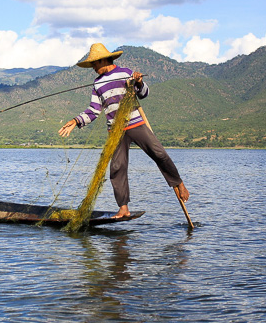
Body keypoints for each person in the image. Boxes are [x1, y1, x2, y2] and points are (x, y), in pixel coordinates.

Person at [58, 43, 189, 218]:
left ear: (104, 60)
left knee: (159, 154)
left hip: (135, 123)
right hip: (115, 131)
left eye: (95, 64)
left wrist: (139, 82)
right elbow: (94, 111)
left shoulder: (125, 73)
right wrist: (76, 121)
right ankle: (123, 208)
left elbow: (144, 94)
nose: (93, 68)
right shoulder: (97, 84)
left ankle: (178, 183)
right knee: (117, 167)